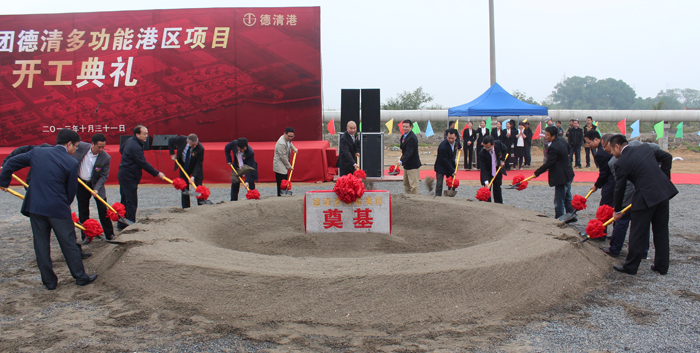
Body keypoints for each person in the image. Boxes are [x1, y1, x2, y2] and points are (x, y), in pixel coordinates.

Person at [0, 129, 97, 290]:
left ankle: (49, 282)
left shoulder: (38, 152)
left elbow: (10, 163)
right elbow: (70, 192)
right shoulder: (71, 162)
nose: (75, 150)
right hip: (58, 208)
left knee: (41, 245)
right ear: (68, 144)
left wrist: (3, 182)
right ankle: (80, 277)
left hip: (36, 207)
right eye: (76, 147)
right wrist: (63, 205)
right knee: (69, 243)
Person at [609, 134, 677, 275]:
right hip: (662, 193)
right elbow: (667, 157)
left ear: (617, 146)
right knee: (661, 231)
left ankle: (631, 267)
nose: (612, 154)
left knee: (638, 232)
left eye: (611, 150)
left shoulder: (620, 163)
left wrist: (617, 211)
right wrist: (665, 178)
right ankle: (661, 266)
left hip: (645, 197)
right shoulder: (645, 148)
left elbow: (619, 189)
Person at [602, 138, 654, 257]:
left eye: (608, 148)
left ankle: (615, 249)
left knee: (622, 220)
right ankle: (642, 252)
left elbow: (621, 186)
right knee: (642, 222)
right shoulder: (636, 147)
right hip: (644, 190)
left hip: (635, 191)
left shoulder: (614, 162)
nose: (607, 151)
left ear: (616, 146)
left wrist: (618, 209)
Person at [118, 125, 165, 229]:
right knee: (131, 201)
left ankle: (122, 223)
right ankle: (130, 225)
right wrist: (157, 173)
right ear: (137, 134)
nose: (146, 136)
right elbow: (143, 163)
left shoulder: (130, 140)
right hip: (128, 176)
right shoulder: (135, 146)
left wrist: (128, 159)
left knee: (125, 200)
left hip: (124, 174)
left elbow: (121, 150)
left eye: (147, 133)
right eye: (144, 134)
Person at [74, 133, 114, 243]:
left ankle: (109, 233)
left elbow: (104, 175)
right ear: (92, 144)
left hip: (96, 185)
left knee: (103, 209)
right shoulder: (81, 147)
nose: (101, 149)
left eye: (103, 147)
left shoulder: (105, 157)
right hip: (81, 183)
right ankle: (87, 235)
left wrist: (96, 188)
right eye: (99, 147)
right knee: (83, 210)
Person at [534, 126, 576, 220]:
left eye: (547, 135)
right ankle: (571, 215)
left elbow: (549, 163)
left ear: (553, 136)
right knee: (567, 196)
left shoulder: (553, 147)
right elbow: (568, 150)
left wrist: (537, 172)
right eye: (545, 134)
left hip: (561, 176)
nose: (545, 136)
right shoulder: (562, 140)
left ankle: (559, 218)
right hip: (568, 172)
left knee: (559, 200)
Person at [168, 134, 204, 208]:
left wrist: (193, 177)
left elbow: (199, 164)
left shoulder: (200, 148)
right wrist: (172, 153)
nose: (194, 147)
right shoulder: (181, 139)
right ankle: (186, 207)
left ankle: (201, 206)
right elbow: (170, 141)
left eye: (195, 145)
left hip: (195, 168)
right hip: (184, 166)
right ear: (187, 141)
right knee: (184, 187)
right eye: (192, 145)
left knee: (199, 187)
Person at [479, 135, 507, 203]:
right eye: (485, 147)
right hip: (488, 170)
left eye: (489, 147)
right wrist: (486, 181)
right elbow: (483, 169)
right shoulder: (482, 153)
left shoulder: (498, 144)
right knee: (487, 188)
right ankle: (488, 205)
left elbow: (505, 150)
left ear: (493, 144)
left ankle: (499, 204)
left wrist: (502, 160)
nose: (487, 149)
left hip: (497, 169)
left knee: (497, 187)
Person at [273, 127, 298, 196]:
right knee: (281, 181)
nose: (290, 138)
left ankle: (284, 193)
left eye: (292, 136)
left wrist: (294, 149)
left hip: (284, 164)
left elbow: (290, 143)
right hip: (279, 164)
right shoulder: (281, 143)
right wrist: (289, 166)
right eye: (289, 136)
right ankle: (280, 195)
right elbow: (283, 157)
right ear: (284, 134)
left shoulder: (287, 139)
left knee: (285, 179)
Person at [399, 119, 421, 194]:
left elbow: (409, 152)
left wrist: (401, 160)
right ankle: (408, 199)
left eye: (407, 127)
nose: (405, 128)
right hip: (406, 164)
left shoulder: (412, 138)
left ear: (411, 127)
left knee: (414, 185)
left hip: (413, 165)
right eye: (403, 126)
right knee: (406, 184)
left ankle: (414, 200)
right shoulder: (403, 136)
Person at [434, 129, 457, 197]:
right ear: (446, 136)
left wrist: (460, 148)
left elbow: (458, 146)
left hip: (450, 165)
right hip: (441, 166)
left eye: (452, 138)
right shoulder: (442, 146)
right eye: (449, 138)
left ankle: (450, 195)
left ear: (456, 137)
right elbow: (444, 160)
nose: (450, 140)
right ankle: (438, 197)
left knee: (452, 182)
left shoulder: (456, 142)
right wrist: (452, 170)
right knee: (439, 184)